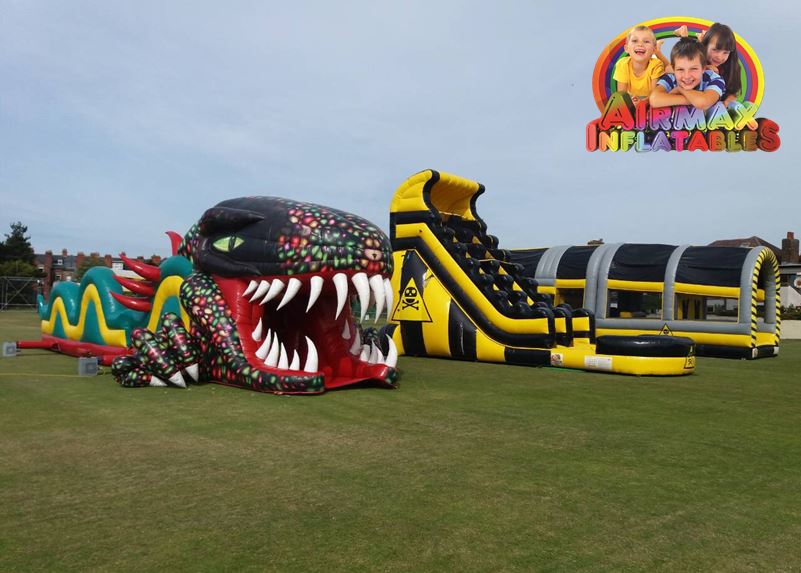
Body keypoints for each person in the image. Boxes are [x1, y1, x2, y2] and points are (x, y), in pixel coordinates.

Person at [649, 38, 725, 110]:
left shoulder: (714, 79)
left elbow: (703, 102)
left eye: (693, 69)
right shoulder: (671, 78)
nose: (687, 76)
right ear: (674, 69)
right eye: (680, 69)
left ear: (703, 68)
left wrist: (680, 89)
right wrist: (694, 100)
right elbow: (654, 99)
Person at [612, 25, 670, 104]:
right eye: (635, 41)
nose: (640, 44)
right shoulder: (622, 64)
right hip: (633, 97)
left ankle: (658, 52)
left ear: (653, 50)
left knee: (670, 71)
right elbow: (622, 95)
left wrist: (641, 102)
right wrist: (631, 102)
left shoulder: (656, 65)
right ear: (626, 48)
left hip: (651, 98)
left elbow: (654, 96)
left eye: (646, 41)